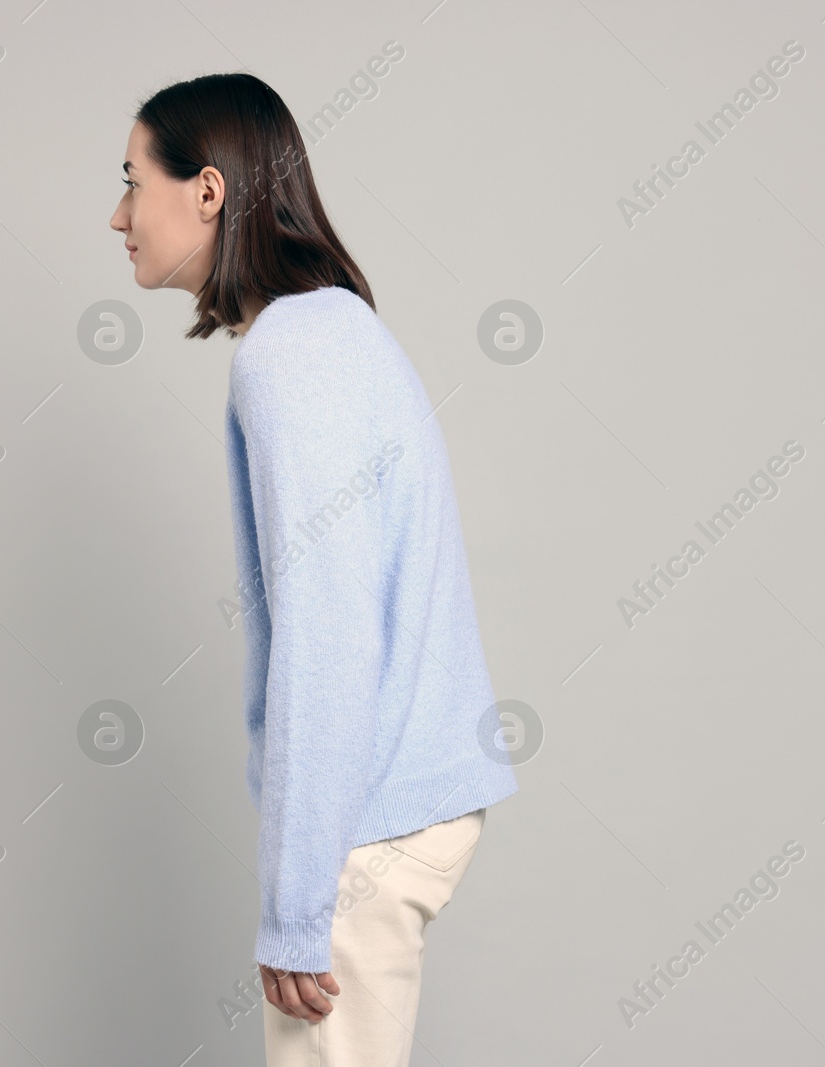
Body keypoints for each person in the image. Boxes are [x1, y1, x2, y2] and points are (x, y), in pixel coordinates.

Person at [109, 72, 518, 1067]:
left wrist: (299, 905)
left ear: (207, 190)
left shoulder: (292, 354)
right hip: (387, 802)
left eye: (131, 181)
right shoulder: (321, 330)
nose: (116, 214)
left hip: (366, 825)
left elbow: (328, 630)